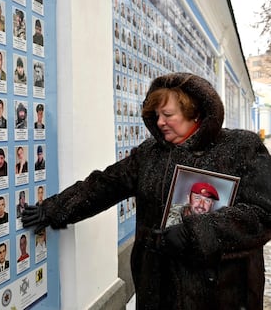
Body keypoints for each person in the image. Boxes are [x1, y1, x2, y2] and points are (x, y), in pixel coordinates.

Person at [21, 73, 271, 309]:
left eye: (168, 114)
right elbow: (104, 185)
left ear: (195, 112)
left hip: (222, 291)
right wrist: (53, 209)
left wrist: (198, 232)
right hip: (158, 287)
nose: (159, 122)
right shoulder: (150, 154)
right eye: (156, 114)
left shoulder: (242, 148)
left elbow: (263, 213)